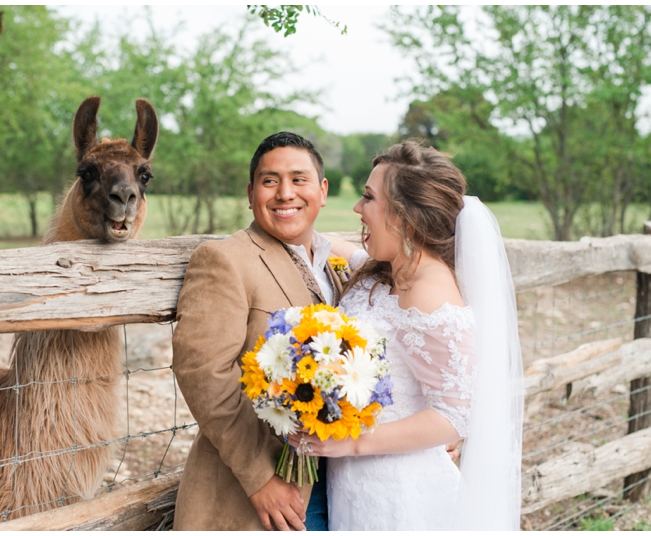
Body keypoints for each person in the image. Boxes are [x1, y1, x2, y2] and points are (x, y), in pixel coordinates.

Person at [288, 140, 524, 530]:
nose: (357, 208)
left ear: (405, 218)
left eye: (368, 198)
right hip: (352, 484)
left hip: (400, 494)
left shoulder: (433, 294)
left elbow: (453, 416)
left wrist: (351, 442)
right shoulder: (385, 270)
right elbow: (327, 245)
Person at [171, 132, 343, 531]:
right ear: (251, 193)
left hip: (339, 482)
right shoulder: (226, 259)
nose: (285, 193)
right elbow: (204, 375)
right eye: (270, 181)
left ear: (322, 190)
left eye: (299, 179)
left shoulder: (336, 265)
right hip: (257, 495)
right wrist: (259, 479)